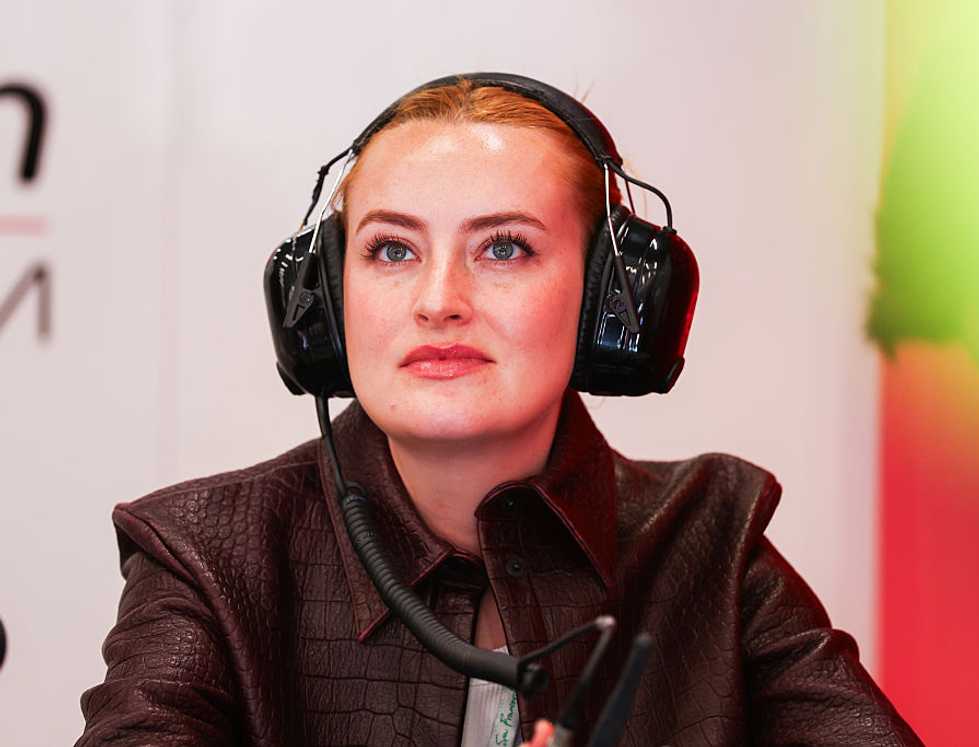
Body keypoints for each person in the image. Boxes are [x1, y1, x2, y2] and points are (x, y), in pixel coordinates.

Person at [76, 74, 923, 746]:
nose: (438, 300)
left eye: (505, 247)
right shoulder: (206, 553)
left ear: (609, 303)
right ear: (326, 302)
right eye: (393, 249)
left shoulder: (712, 536)